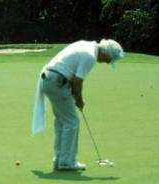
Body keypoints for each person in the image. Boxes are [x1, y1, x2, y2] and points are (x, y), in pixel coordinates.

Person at [31, 38, 124, 171]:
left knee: (62, 121)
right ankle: (67, 162)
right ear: (106, 53)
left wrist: (76, 98)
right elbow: (77, 81)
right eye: (109, 59)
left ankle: (59, 160)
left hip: (49, 79)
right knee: (71, 122)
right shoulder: (90, 56)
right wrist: (79, 100)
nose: (108, 62)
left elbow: (73, 78)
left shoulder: (85, 45)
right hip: (57, 81)